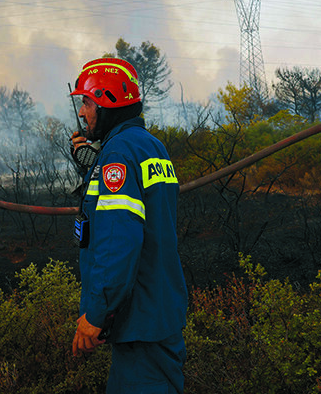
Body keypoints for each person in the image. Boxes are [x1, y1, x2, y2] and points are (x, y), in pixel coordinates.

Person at [69, 58, 188, 394]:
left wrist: (96, 314)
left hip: (139, 321)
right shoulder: (150, 145)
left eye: (87, 103)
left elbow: (118, 242)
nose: (82, 113)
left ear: (107, 103)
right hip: (157, 312)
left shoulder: (118, 154)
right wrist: (93, 166)